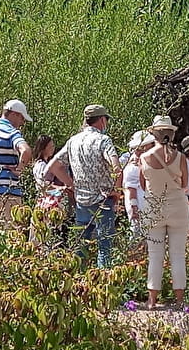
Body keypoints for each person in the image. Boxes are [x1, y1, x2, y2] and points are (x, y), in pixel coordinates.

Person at [44, 104, 121, 268]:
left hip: (81, 201)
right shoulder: (103, 140)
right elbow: (116, 166)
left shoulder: (73, 141)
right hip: (102, 200)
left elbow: (53, 166)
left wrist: (72, 185)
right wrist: (117, 191)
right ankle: (103, 284)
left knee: (80, 248)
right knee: (105, 247)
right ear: (101, 120)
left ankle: (79, 284)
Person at [139, 115, 189, 310]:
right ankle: (179, 300)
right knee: (178, 254)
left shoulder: (144, 158)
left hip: (154, 208)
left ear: (154, 134)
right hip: (178, 207)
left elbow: (143, 185)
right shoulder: (180, 157)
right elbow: (185, 184)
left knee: (155, 255)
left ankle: (152, 300)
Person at [122, 130, 155, 238]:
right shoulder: (132, 166)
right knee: (137, 231)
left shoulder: (142, 161)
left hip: (146, 201)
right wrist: (134, 206)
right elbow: (131, 189)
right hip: (138, 202)